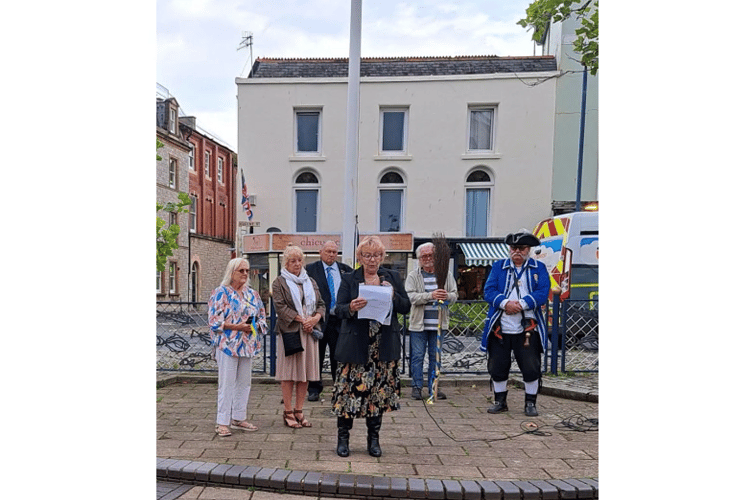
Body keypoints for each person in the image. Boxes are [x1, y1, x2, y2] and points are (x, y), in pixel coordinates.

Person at [332, 235, 410, 457]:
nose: (372, 260)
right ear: (360, 257)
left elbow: (406, 307)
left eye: (377, 255)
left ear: (382, 256)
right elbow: (338, 309)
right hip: (355, 345)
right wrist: (351, 307)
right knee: (348, 394)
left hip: (382, 346)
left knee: (378, 394)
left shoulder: (392, 277)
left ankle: (373, 440)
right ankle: (343, 439)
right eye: (368, 255)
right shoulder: (349, 279)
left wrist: (393, 295)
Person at [480, 230, 550, 417]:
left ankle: (530, 403)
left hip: (528, 326)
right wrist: (505, 303)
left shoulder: (539, 268)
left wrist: (521, 304)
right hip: (500, 325)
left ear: (528, 250)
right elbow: (489, 290)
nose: (516, 251)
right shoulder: (498, 266)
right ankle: (500, 401)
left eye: (521, 248)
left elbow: (543, 292)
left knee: (530, 367)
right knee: (498, 366)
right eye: (513, 248)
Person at [207, 258, 268, 437]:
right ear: (231, 272)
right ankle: (222, 422)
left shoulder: (253, 295)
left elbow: (262, 317)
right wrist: (236, 327)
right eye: (241, 270)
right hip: (227, 344)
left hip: (247, 344)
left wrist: (253, 326)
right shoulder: (220, 293)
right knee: (226, 383)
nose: (245, 274)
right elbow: (213, 320)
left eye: (247, 271)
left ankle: (239, 417)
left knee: (244, 382)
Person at [272, 245, 326, 428]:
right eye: (292, 261)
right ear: (286, 263)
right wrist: (302, 320)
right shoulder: (279, 282)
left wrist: (315, 318)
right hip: (291, 331)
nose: (297, 264)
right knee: (289, 373)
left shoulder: (310, 280)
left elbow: (321, 303)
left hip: (310, 330)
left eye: (299, 260)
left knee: (306, 372)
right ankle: (287, 411)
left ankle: (299, 410)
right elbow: (280, 307)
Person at [405, 242, 458, 401]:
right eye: (424, 256)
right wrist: (430, 296)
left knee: (435, 357)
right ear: (419, 259)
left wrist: (446, 296)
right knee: (417, 356)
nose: (427, 258)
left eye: (430, 255)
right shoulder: (413, 276)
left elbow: (454, 295)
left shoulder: (446, 275)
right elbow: (411, 297)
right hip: (418, 324)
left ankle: (433, 387)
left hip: (439, 324)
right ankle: (416, 387)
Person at [305, 241, 353, 402]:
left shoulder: (344, 270)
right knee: (316, 355)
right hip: (319, 319)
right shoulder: (311, 269)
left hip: (338, 320)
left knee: (337, 356)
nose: (332, 254)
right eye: (328, 251)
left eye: (334, 252)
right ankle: (314, 388)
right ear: (320, 252)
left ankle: (338, 387)